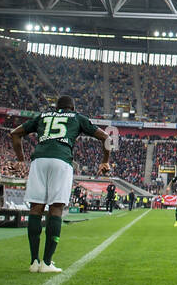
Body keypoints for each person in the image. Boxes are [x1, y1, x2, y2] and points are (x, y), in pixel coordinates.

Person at [11, 95, 111, 272]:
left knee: (36, 208)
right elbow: (105, 138)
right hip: (61, 161)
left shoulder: (43, 116)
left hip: (38, 160)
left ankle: (34, 261)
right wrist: (105, 161)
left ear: (56, 107)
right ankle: (47, 263)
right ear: (72, 107)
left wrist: (20, 159)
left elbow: (15, 133)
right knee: (55, 209)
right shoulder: (77, 117)